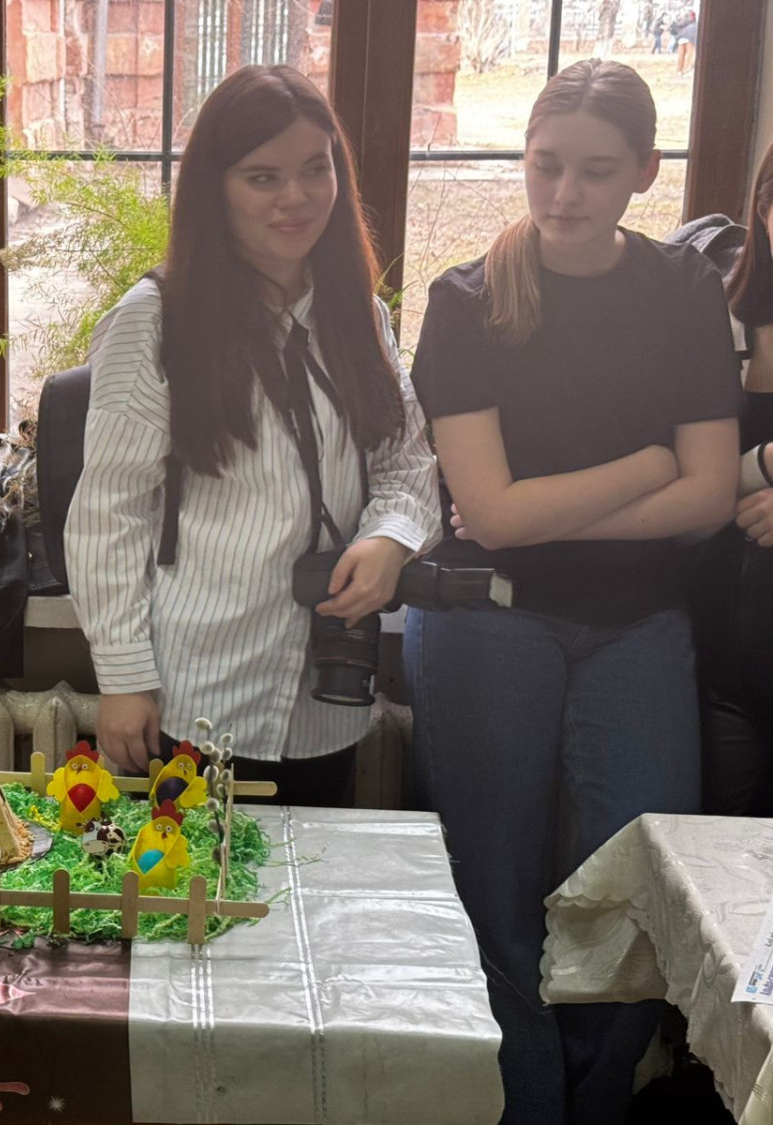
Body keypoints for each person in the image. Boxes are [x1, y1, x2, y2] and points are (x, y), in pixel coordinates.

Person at [404, 60, 741, 1125]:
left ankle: (594, 1105)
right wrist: (648, 467)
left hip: (638, 626)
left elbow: (710, 496)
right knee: (491, 893)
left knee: (640, 892)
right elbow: (489, 517)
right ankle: (524, 1107)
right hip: (482, 620)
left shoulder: (682, 289)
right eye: (546, 165)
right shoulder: (466, 300)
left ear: (645, 171)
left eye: (596, 171)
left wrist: (542, 511)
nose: (563, 193)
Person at [65, 64, 439, 807]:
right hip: (194, 699)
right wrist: (124, 677)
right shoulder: (157, 319)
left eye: (315, 169)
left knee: (306, 879)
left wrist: (390, 540)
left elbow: (407, 460)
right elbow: (111, 510)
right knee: (186, 882)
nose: (295, 197)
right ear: (216, 189)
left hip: (323, 700)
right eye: (263, 177)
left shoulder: (358, 315)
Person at [689, 141, 773, 816]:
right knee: (714, 854)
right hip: (715, 649)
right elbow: (682, 469)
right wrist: (765, 465)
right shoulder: (716, 312)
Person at [673, 8, 698, 74]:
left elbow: (676, 27)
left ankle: (679, 70)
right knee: (689, 55)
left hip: (681, 38)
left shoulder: (682, 21)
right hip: (690, 38)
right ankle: (685, 70)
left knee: (681, 55)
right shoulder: (693, 22)